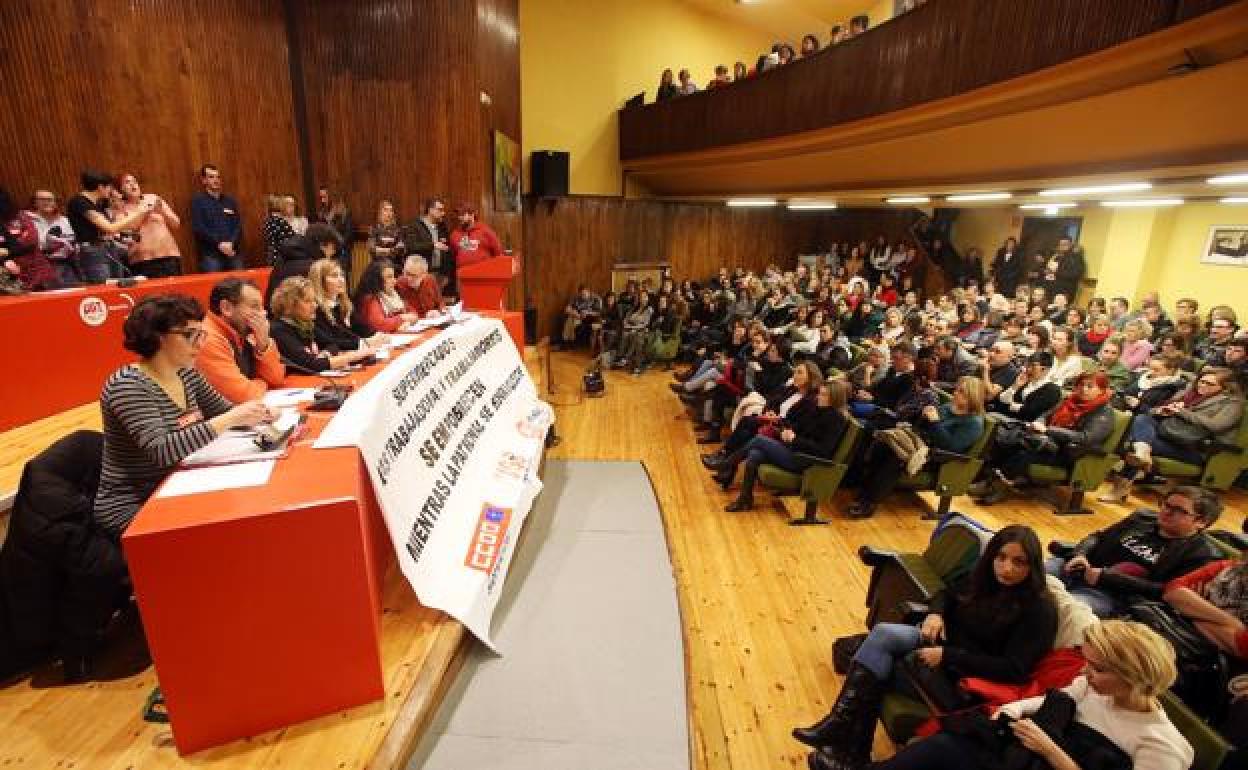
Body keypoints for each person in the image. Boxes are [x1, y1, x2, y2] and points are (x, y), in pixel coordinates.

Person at [797, 525, 1057, 770]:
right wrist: (936, 614)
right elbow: (944, 595)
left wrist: (948, 655)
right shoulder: (984, 577)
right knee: (882, 635)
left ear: (1032, 565)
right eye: (1000, 557)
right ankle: (842, 730)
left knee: (877, 668)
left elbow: (1014, 669)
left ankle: (848, 747)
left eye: (1018, 562)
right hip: (940, 647)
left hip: (965, 680)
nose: (1006, 568)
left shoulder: (1038, 610)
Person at [871, 620, 1192, 770]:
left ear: (1134, 677)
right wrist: (1009, 713)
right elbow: (1037, 702)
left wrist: (1052, 751)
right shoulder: (1091, 688)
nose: (1083, 673)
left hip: (1043, 759)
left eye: (1097, 669)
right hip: (1022, 760)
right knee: (944, 745)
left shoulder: (1160, 745)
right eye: (1087, 663)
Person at [95, 294, 273, 538]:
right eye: (190, 335)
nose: (200, 344)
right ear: (158, 337)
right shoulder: (128, 385)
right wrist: (231, 418)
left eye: (201, 334)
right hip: (135, 505)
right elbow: (162, 450)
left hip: (178, 484)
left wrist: (258, 414)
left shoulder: (186, 374)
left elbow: (226, 411)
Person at [1048, 485, 1222, 617]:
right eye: (1166, 505)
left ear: (1201, 522)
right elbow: (1098, 537)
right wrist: (1080, 554)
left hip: (1110, 595)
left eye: (1179, 511)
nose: (1167, 512)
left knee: (1060, 610)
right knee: (1028, 575)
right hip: (1075, 568)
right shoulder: (1141, 518)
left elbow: (1168, 591)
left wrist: (1109, 578)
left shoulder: (1202, 554)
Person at [845, 376, 986, 519]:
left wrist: (935, 422)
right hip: (920, 443)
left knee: (897, 456)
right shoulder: (948, 407)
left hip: (938, 458)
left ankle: (870, 503)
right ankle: (864, 489)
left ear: (972, 397)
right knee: (884, 442)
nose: (955, 393)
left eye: (961, 392)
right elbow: (923, 427)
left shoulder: (973, 423)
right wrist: (923, 415)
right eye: (956, 389)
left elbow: (951, 446)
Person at [1101, 367, 1244, 502]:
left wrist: (1181, 412)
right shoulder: (1190, 393)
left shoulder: (1232, 403)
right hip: (1170, 435)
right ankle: (1142, 452)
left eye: (1210, 384)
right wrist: (1162, 411)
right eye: (1201, 381)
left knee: (1134, 441)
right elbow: (1155, 410)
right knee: (1142, 419)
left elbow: (1216, 426)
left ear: (1224, 388)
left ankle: (1120, 488)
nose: (1202, 385)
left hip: (1194, 448)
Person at [975, 371, 1115, 504]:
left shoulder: (1103, 412)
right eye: (1081, 385)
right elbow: (1045, 415)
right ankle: (989, 479)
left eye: (1090, 386)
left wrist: (1048, 431)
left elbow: (1085, 437)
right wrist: (1039, 424)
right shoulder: (1070, 399)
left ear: (1101, 390)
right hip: (1046, 439)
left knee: (1023, 451)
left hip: (1069, 452)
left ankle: (998, 486)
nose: (1084, 389)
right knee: (1008, 440)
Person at [718, 380, 853, 512]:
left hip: (805, 461)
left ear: (834, 398)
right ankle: (745, 500)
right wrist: (790, 433)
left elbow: (824, 451)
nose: (818, 397)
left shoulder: (836, 419)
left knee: (759, 440)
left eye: (823, 395)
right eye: (819, 393)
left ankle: (726, 463)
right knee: (755, 455)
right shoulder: (819, 410)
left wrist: (794, 439)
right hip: (796, 451)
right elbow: (803, 432)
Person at [195, 277, 286, 402]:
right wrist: (262, 382)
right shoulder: (207, 338)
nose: (263, 314)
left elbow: (276, 379)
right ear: (226, 308)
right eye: (254, 307)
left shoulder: (243, 332)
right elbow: (244, 396)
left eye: (261, 307)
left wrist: (263, 344)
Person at [269, 277, 374, 372]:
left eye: (314, 300)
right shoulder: (278, 330)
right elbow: (311, 365)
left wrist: (325, 354)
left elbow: (332, 344)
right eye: (307, 301)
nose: (314, 306)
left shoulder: (305, 324)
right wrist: (355, 355)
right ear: (289, 305)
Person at [67, 169, 154, 283]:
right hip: (92, 251)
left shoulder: (97, 203)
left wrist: (123, 236)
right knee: (103, 286)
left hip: (107, 248)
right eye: (109, 187)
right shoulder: (80, 202)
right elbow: (109, 227)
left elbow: (105, 231)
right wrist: (139, 212)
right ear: (100, 187)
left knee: (118, 285)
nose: (111, 191)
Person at [308, 257, 385, 349]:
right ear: (319, 281)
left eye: (341, 275)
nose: (341, 280)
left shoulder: (343, 304)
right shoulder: (315, 309)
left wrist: (378, 335)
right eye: (334, 276)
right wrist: (363, 343)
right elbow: (329, 341)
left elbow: (361, 328)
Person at [114, 173, 181, 278]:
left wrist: (162, 211)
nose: (133, 184)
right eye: (127, 182)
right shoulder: (120, 210)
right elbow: (126, 235)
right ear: (120, 190)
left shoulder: (153, 198)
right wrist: (144, 212)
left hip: (168, 256)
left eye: (134, 181)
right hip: (142, 261)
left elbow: (176, 223)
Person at [265, 222, 343, 307]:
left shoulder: (287, 256)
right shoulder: (313, 267)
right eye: (333, 249)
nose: (332, 254)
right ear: (322, 245)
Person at [1, 186, 57, 291]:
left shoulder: (19, 216)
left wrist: (8, 250)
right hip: (10, 277)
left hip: (36, 271)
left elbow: (31, 239)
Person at [190, 164, 243, 272]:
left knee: (240, 284)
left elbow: (237, 226)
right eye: (211, 177)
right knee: (213, 285)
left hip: (232, 251)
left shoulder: (230, 201)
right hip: (211, 255)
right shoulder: (198, 201)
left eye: (218, 177)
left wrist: (231, 243)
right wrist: (219, 243)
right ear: (204, 180)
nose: (216, 180)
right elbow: (199, 228)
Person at [27, 190, 80, 286]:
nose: (48, 202)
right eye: (43, 199)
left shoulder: (64, 220)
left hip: (68, 264)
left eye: (51, 200)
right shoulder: (28, 221)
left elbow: (74, 240)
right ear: (34, 202)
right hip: (43, 265)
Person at [352, 259, 420, 333]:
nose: (394, 281)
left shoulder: (394, 292)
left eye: (393, 276)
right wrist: (402, 318)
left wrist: (406, 323)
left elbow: (413, 313)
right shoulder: (369, 298)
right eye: (389, 277)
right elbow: (380, 324)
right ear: (377, 280)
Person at [406, 197, 453, 293]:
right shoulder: (415, 225)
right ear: (431, 210)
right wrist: (433, 245)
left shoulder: (442, 226)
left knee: (437, 302)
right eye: (440, 210)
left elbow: (447, 250)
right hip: (423, 273)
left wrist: (447, 274)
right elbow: (412, 246)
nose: (443, 213)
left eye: (443, 210)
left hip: (440, 273)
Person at [311, 187, 353, 276]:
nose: (322, 201)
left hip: (341, 253)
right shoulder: (321, 214)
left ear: (332, 198)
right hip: (326, 253)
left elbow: (348, 236)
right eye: (321, 198)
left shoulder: (345, 214)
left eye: (325, 197)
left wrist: (335, 247)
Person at [395, 255, 446, 319]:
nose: (409, 278)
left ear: (424, 274)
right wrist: (424, 316)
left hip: (434, 321)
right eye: (406, 273)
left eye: (413, 275)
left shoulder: (430, 280)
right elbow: (400, 313)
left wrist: (439, 311)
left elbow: (440, 302)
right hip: (413, 324)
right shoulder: (398, 284)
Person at [1042, 236, 1086, 302]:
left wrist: (1056, 272)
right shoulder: (1058, 257)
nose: (1062, 246)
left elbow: (1076, 274)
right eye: (1061, 244)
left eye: (1065, 244)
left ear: (1071, 245)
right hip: (1052, 286)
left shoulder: (1076, 257)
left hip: (1066, 290)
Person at [558, 285, 604, 349]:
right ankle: (567, 341)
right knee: (570, 319)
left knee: (572, 320)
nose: (583, 296)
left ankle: (567, 341)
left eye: (584, 294)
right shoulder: (576, 298)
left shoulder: (596, 299)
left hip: (590, 318)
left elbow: (599, 313)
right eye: (581, 294)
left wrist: (588, 313)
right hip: (578, 316)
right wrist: (574, 312)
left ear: (589, 292)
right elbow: (567, 309)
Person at [261, 194, 298, 265]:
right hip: (281, 256)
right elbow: (292, 238)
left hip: (271, 255)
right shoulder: (280, 221)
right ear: (280, 206)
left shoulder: (268, 220)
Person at [367, 199, 406, 266]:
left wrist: (380, 249)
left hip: (395, 264)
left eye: (391, 210)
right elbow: (372, 249)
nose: (389, 213)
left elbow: (400, 249)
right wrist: (391, 250)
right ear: (380, 212)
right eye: (386, 210)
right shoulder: (374, 229)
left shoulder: (398, 229)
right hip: (378, 264)